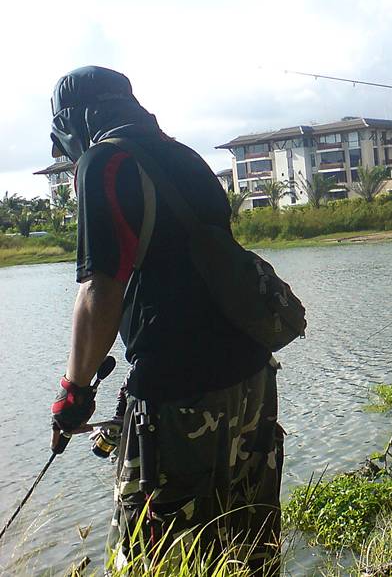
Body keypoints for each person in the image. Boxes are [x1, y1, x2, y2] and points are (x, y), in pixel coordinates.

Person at [48, 66, 283, 573]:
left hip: (179, 397)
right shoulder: (185, 158)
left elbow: (100, 290)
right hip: (252, 380)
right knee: (249, 547)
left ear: (73, 122)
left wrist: (75, 392)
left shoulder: (104, 162)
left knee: (157, 559)